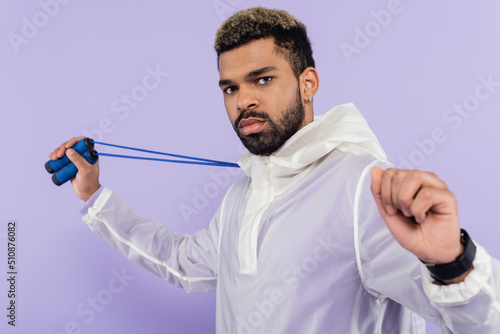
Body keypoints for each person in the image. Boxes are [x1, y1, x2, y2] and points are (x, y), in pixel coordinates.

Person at [48, 7, 500, 333]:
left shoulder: (366, 187)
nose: (243, 100)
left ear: (308, 84)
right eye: (230, 87)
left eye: (262, 80)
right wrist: (94, 196)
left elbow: (479, 323)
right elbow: (184, 265)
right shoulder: (242, 196)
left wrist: (453, 264)